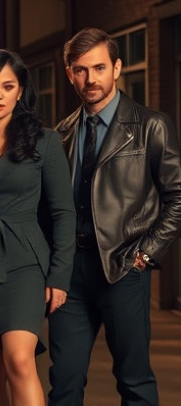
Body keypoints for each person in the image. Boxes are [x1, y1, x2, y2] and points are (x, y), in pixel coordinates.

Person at [49, 27, 181, 405]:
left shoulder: (151, 126)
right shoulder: (61, 135)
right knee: (65, 383)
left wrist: (144, 255)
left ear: (117, 68)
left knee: (134, 381)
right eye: (79, 69)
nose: (90, 79)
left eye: (99, 68)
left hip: (123, 267)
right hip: (70, 276)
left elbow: (177, 196)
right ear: (69, 73)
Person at [0, 49, 75, 406]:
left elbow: (63, 212)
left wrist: (59, 277)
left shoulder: (45, 141)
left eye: (8, 86)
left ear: (20, 91)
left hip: (23, 264)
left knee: (20, 361)